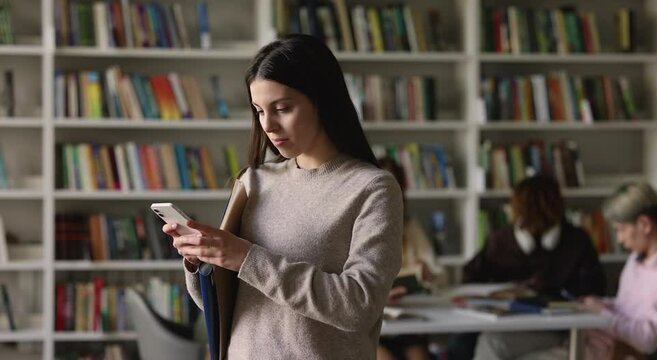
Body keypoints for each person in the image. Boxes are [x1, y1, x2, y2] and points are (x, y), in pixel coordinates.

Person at [163, 34, 404, 359]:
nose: (269, 125)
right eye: (259, 111)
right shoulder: (254, 182)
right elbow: (223, 306)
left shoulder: (371, 188)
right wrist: (202, 260)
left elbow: (359, 305)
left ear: (322, 100)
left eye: (283, 108)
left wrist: (245, 257)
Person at [459, 175, 605, 360]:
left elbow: (594, 290)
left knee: (491, 345)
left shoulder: (577, 241)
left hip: (554, 326)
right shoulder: (501, 240)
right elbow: (469, 277)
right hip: (505, 322)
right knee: (461, 343)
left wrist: (549, 290)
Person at [579, 182, 657, 359]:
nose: (619, 240)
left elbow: (647, 338)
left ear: (644, 224)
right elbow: (627, 309)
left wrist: (602, 313)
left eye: (621, 230)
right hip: (602, 346)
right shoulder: (636, 259)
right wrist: (603, 304)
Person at [376, 157, 444, 360]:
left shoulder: (410, 226)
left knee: (419, 356)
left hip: (406, 319)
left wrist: (428, 274)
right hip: (372, 324)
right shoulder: (354, 228)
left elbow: (441, 276)